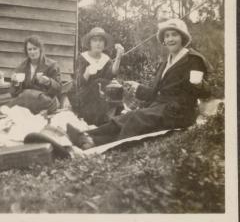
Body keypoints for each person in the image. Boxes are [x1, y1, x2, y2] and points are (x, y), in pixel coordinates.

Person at [67, 19, 211, 150]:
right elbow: (156, 92)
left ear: (183, 38)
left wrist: (199, 85)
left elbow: (207, 92)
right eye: (167, 36)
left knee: (136, 118)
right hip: (161, 108)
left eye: (174, 35)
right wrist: (138, 87)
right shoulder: (165, 63)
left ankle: (94, 142)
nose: (170, 39)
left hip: (179, 113)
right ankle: (85, 135)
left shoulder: (193, 59)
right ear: (163, 40)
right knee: (128, 116)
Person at [71, 27, 124, 125]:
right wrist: (87, 73)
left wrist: (118, 57)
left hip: (103, 95)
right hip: (85, 97)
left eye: (101, 41)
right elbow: (78, 83)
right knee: (96, 85)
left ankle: (112, 119)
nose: (98, 43)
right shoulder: (83, 58)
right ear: (90, 43)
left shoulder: (106, 59)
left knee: (116, 87)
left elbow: (111, 74)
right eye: (95, 40)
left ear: (104, 44)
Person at [9, 35, 62, 114]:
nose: (32, 52)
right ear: (26, 51)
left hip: (47, 102)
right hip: (28, 104)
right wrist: (15, 83)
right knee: (24, 96)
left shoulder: (52, 65)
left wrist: (49, 82)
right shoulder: (21, 67)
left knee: (27, 94)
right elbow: (14, 94)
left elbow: (59, 89)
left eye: (35, 49)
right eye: (29, 49)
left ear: (40, 49)